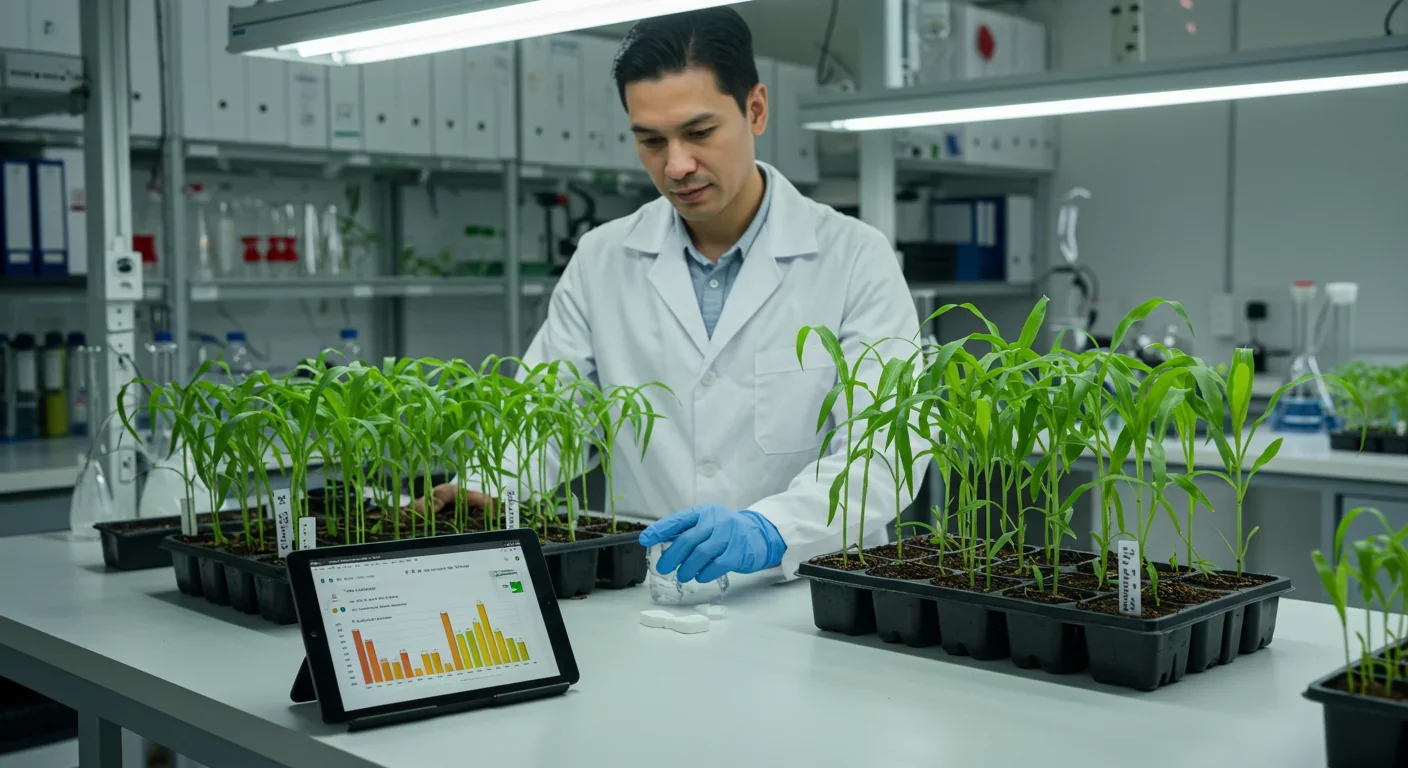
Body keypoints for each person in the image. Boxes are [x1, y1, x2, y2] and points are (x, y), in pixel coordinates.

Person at [422, 8, 924, 585]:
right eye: (651, 141)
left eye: (699, 133)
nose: (676, 165)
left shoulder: (853, 256)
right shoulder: (603, 258)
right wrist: (489, 484)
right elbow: (550, 413)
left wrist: (771, 530)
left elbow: (886, 448)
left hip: (806, 590)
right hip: (650, 587)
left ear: (755, 109)